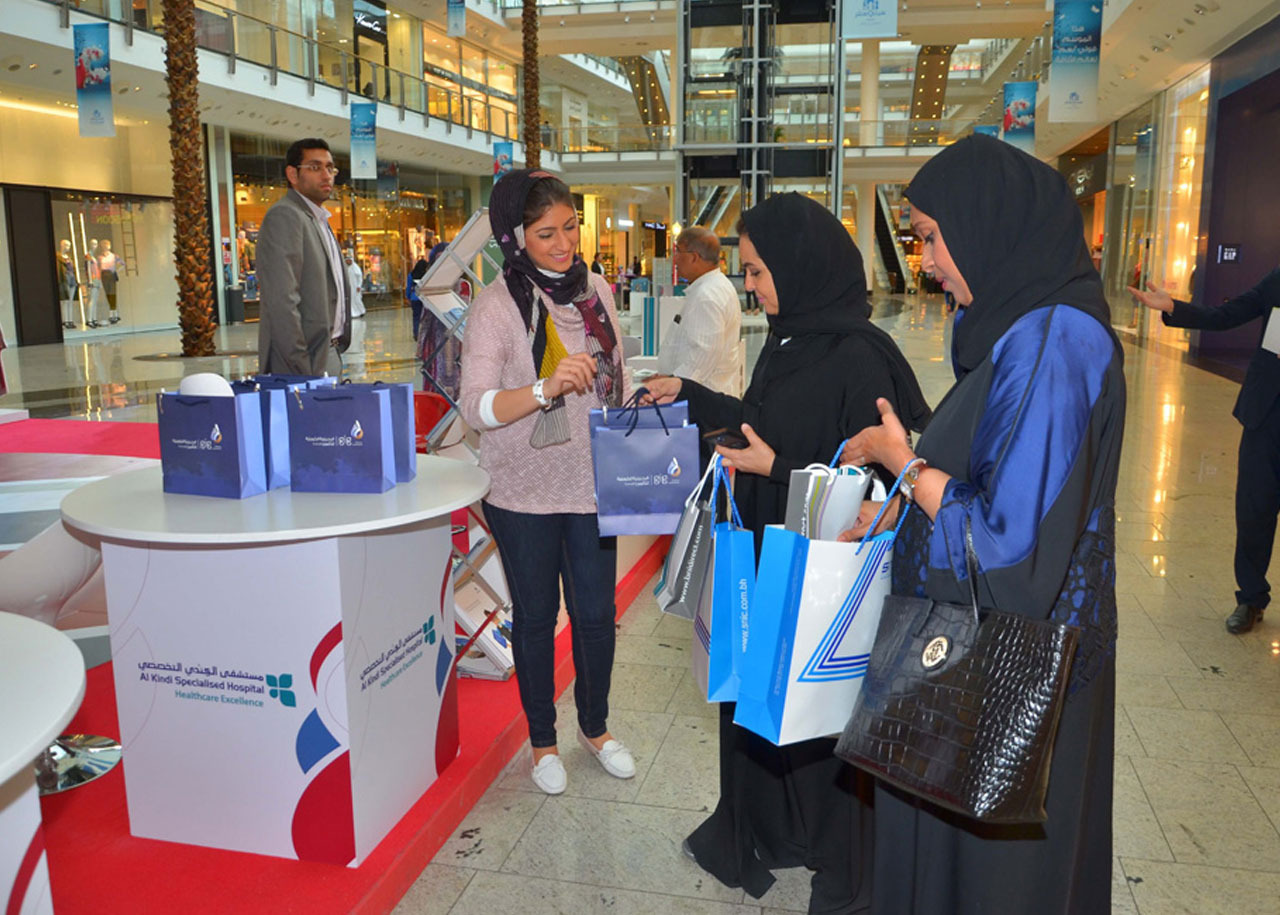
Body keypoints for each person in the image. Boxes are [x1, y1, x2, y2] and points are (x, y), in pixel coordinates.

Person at [839, 133, 1123, 914]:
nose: (925, 259)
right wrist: (899, 514)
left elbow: (1007, 551)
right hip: (991, 653)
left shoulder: (1050, 342)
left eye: (931, 236)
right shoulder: (1022, 326)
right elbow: (1001, 479)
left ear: (987, 222)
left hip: (1007, 665)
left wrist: (905, 465)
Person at [643, 192, 930, 913]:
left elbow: (870, 480)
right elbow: (759, 421)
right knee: (769, 701)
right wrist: (691, 394)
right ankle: (771, 825)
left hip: (824, 571)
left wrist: (775, 468)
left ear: (800, 267)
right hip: (776, 555)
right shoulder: (792, 336)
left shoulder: (860, 355)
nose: (752, 287)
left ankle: (830, 844)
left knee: (818, 712)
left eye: (759, 271)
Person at [457, 169, 634, 795]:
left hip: (592, 486)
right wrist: (544, 387)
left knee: (594, 615)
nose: (563, 245)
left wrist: (642, 395)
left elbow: (616, 377)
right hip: (521, 492)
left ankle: (595, 727)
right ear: (515, 238)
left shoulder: (598, 294)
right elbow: (473, 407)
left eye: (570, 229)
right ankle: (541, 741)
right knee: (535, 619)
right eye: (545, 234)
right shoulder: (496, 308)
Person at [1129, 268, 1280, 633]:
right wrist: (1175, 308)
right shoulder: (1277, 280)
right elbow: (1225, 315)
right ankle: (1250, 597)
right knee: (1254, 508)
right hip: (1267, 412)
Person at [256, 138, 351, 376]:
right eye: (315, 167)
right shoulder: (286, 216)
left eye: (330, 168)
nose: (326, 175)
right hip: (303, 362)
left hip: (327, 353)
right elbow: (282, 300)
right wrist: (300, 363)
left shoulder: (318, 219)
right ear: (293, 174)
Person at [659, 226, 742, 394]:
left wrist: (671, 385)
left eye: (678, 252)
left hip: (702, 399)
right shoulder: (713, 287)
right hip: (703, 394)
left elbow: (701, 358)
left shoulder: (707, 296)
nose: (674, 260)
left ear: (694, 257)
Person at [407, 258, 428, 340]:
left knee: (416, 317)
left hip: (414, 298)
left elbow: (408, 287)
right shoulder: (426, 275)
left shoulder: (411, 275)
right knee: (425, 318)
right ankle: (424, 334)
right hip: (424, 298)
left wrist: (408, 297)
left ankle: (416, 334)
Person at [345, 251, 366, 318]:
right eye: (347, 260)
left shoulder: (356, 268)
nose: (348, 262)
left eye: (349, 260)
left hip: (355, 287)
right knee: (351, 300)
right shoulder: (346, 268)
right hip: (349, 287)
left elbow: (359, 278)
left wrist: (359, 286)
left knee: (357, 299)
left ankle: (362, 311)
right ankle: (353, 313)